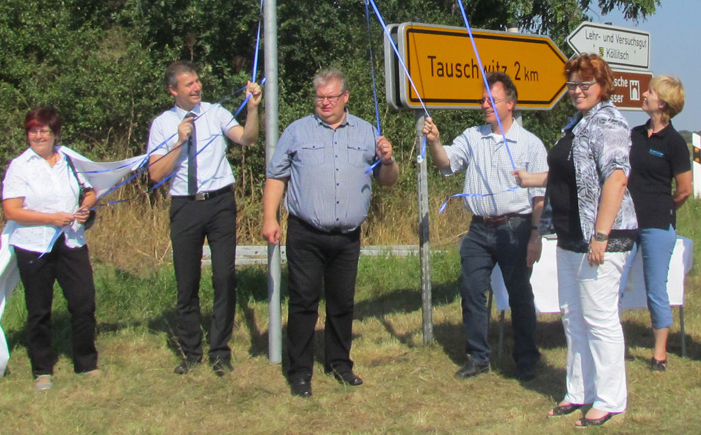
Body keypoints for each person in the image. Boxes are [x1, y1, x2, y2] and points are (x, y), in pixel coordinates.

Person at [516, 54, 637, 427]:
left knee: (600, 319)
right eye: (572, 84)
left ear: (603, 86)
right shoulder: (577, 123)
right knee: (573, 317)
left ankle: (610, 399)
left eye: (585, 84)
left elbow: (616, 178)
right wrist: (530, 179)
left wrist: (601, 235)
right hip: (569, 236)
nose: (577, 90)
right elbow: (567, 172)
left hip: (602, 238)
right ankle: (579, 391)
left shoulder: (609, 123)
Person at [262, 68, 398, 398]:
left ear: (345, 97)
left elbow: (388, 180)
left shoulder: (367, 132)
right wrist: (269, 218)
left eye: (331, 97)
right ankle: (300, 372)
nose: (325, 103)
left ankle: (339, 363)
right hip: (306, 233)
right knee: (303, 302)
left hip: (347, 236)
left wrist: (388, 160)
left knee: (342, 303)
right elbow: (276, 176)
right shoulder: (297, 131)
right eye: (320, 97)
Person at [423, 71, 547, 382]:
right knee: (471, 291)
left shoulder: (530, 144)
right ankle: (478, 357)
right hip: (478, 229)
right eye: (482, 100)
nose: (485, 105)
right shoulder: (472, 136)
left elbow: (539, 196)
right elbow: (446, 163)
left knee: (519, 294)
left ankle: (527, 359)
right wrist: (435, 141)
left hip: (516, 228)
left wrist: (535, 235)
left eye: (492, 100)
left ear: (511, 104)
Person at [147, 61, 262, 376]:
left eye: (197, 81)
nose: (197, 87)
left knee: (224, 278)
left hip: (220, 203)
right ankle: (191, 352)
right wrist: (179, 142)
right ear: (173, 90)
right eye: (189, 84)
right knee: (187, 282)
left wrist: (253, 110)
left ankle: (220, 352)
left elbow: (247, 139)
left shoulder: (215, 113)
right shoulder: (162, 124)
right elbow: (155, 173)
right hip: (185, 206)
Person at [2, 106, 99, 391]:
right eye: (33, 131)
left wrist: (84, 208)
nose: (38, 136)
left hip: (72, 241)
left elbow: (91, 191)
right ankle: (42, 369)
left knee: (83, 303)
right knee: (39, 309)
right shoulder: (20, 166)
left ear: (55, 133)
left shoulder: (70, 159)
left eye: (44, 130)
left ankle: (86, 363)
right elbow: (12, 211)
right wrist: (50, 218)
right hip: (34, 246)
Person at [627, 75, 692, 372]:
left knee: (656, 287)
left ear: (663, 103)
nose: (644, 94)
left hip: (657, 224)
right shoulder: (635, 134)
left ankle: (659, 354)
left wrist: (663, 207)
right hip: (627, 221)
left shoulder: (675, 143)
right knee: (615, 281)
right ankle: (610, 344)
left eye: (650, 92)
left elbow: (684, 189)